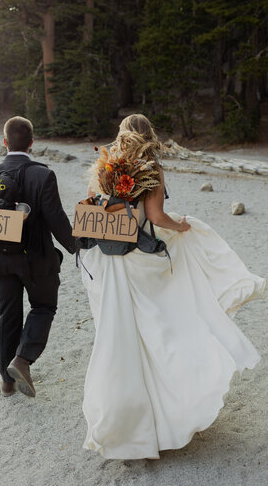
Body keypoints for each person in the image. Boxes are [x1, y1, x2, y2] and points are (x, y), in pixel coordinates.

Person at [81, 113, 266, 460]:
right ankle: (170, 409)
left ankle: (126, 424)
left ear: (121, 134)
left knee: (120, 336)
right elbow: (155, 217)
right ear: (149, 134)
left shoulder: (104, 166)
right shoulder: (149, 166)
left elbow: (93, 207)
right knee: (161, 332)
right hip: (138, 260)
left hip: (108, 259)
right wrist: (180, 226)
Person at [0, 116, 76, 398]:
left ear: (4, 142)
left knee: (7, 315)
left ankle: (6, 383)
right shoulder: (42, 175)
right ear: (32, 143)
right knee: (44, 307)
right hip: (36, 259)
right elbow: (56, 220)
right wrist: (77, 247)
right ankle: (22, 360)